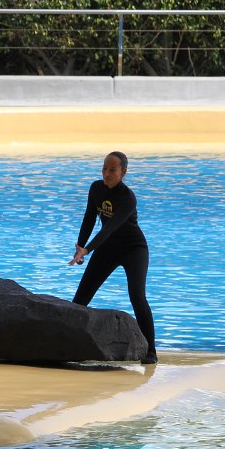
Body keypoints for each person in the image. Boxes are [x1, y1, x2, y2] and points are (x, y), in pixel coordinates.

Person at [68, 151, 157, 364]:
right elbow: (90, 217)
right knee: (80, 300)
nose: (107, 173)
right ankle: (67, 344)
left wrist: (88, 250)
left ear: (123, 172)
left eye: (112, 170)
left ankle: (151, 351)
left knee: (137, 296)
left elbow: (109, 228)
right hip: (107, 249)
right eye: (104, 169)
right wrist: (81, 246)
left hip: (133, 249)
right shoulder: (96, 188)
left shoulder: (128, 197)